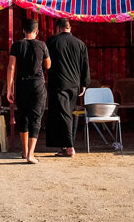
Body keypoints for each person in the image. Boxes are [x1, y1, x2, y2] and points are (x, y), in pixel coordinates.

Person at [7, 18, 50, 164]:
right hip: (38, 85)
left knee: (23, 117)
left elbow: (11, 67)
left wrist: (9, 89)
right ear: (37, 32)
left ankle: (24, 151)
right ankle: (31, 155)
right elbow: (48, 65)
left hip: (21, 85)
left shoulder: (16, 45)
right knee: (35, 118)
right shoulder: (42, 45)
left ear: (23, 31)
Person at [45, 18, 90, 157]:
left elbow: (45, 63)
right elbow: (85, 66)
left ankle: (70, 147)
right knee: (65, 113)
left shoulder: (52, 42)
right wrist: (84, 84)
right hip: (74, 85)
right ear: (70, 28)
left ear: (58, 29)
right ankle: (63, 146)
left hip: (59, 84)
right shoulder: (80, 44)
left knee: (63, 115)